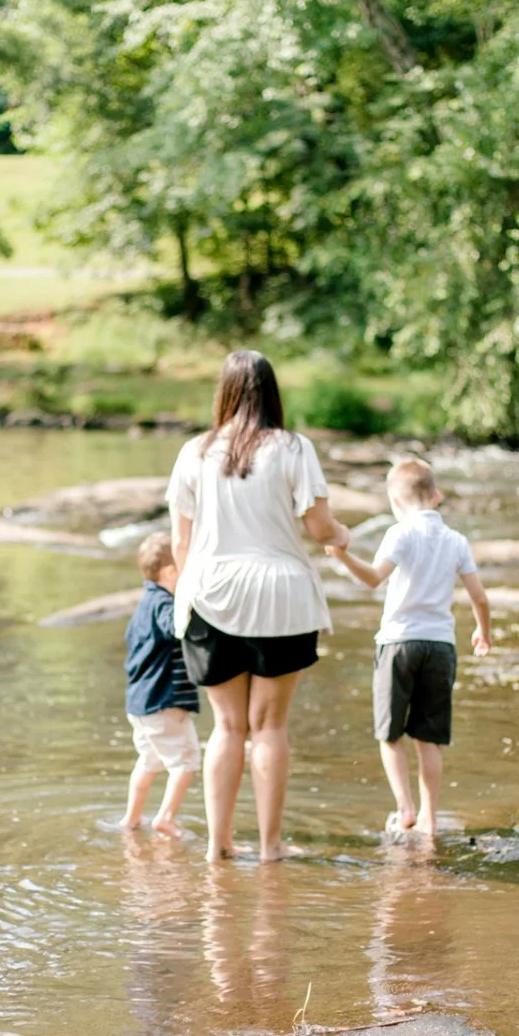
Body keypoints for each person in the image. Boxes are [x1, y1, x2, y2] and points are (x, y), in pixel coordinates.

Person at [165, 350, 349, 863]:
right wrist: (343, 534)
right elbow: (320, 528)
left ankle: (217, 845)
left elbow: (180, 543)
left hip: (211, 593)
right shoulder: (294, 448)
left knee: (227, 727)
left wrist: (186, 593)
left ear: (223, 393)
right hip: (280, 595)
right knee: (269, 727)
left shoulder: (194, 452)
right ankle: (270, 847)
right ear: (271, 393)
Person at [329, 458, 493, 846]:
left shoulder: (399, 533)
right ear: (435, 496)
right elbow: (480, 598)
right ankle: (430, 819)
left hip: (398, 642)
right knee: (428, 738)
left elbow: (373, 579)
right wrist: (483, 634)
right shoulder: (456, 540)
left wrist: (342, 556)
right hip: (440, 646)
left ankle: (405, 809)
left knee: (390, 734)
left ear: (396, 500)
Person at [120, 525, 200, 836]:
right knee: (186, 762)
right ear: (170, 572)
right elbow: (176, 627)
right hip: (165, 701)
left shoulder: (143, 606)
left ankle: (131, 819)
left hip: (139, 703)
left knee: (149, 761)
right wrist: (193, 605)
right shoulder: (165, 604)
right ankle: (166, 817)